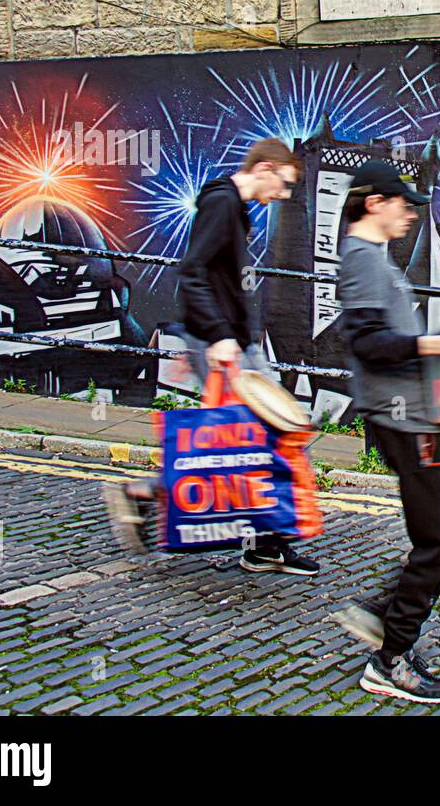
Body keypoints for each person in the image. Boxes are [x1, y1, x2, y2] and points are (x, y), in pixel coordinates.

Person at [104, 138, 313, 574]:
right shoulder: (222, 204)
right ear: (266, 168)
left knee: (252, 442)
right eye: (284, 184)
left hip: (231, 342)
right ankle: (152, 497)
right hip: (224, 344)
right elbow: (194, 271)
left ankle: (264, 542)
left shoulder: (231, 207)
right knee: (257, 440)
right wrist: (214, 339)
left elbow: (214, 280)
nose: (284, 194)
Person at [331, 159, 440, 704]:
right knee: (439, 538)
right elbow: (369, 344)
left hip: (423, 413)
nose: (410, 213)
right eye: (403, 203)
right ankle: (391, 657)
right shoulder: (361, 260)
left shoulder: (374, 259)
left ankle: (383, 612)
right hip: (403, 419)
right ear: (374, 202)